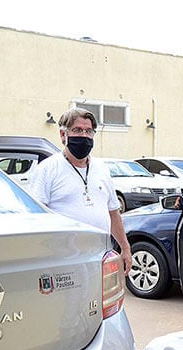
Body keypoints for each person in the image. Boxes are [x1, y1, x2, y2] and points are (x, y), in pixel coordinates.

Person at [27, 107, 132, 272]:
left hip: (100, 258)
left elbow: (113, 213)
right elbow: (37, 217)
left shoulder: (101, 169)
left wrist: (125, 248)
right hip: (62, 261)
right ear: (63, 135)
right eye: (77, 130)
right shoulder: (47, 169)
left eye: (89, 131)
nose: (84, 136)